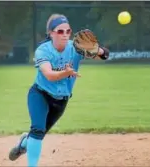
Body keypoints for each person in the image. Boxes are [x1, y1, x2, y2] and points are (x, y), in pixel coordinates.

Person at [8, 13, 109, 167]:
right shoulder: (43, 50)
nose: (65, 35)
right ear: (51, 33)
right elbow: (48, 75)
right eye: (60, 31)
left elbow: (104, 56)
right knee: (37, 130)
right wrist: (66, 73)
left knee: (38, 135)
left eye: (68, 31)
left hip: (61, 101)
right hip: (40, 94)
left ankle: (23, 144)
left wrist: (98, 50)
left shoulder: (75, 47)